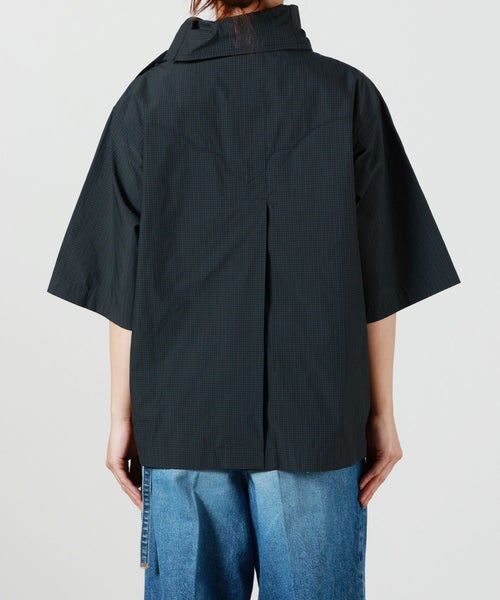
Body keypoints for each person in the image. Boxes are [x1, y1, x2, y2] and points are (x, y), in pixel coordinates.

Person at [46, 1, 461, 598]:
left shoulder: (147, 101)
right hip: (316, 420)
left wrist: (121, 418)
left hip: (181, 423)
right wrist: (381, 414)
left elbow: (122, 286)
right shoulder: (346, 95)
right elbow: (382, 280)